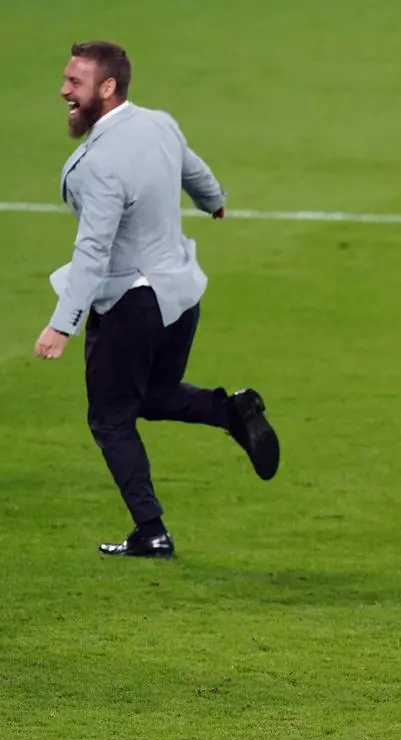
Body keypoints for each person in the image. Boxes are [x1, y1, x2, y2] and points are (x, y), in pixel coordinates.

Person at [35, 41, 279, 558]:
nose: (64, 91)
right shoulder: (158, 123)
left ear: (107, 87)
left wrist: (63, 323)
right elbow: (194, 171)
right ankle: (232, 412)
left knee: (109, 417)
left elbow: (93, 251)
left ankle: (152, 531)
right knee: (151, 394)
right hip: (181, 296)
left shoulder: (101, 162)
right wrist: (213, 202)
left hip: (131, 302)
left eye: (75, 83)